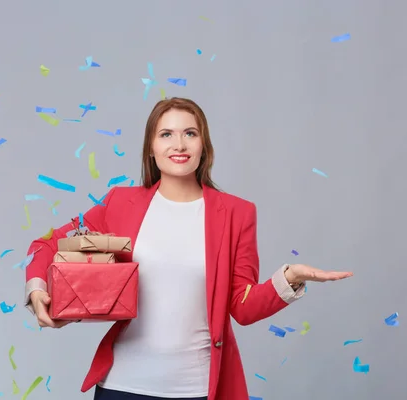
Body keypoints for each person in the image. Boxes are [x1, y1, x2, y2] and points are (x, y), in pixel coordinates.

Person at [23, 97, 353, 400]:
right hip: (122, 386)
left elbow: (242, 306)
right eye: (166, 134)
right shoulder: (120, 203)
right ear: (151, 148)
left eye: (190, 133)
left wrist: (288, 278)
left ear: (203, 146)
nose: (179, 144)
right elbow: (47, 243)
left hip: (197, 389)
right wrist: (38, 290)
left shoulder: (237, 214)